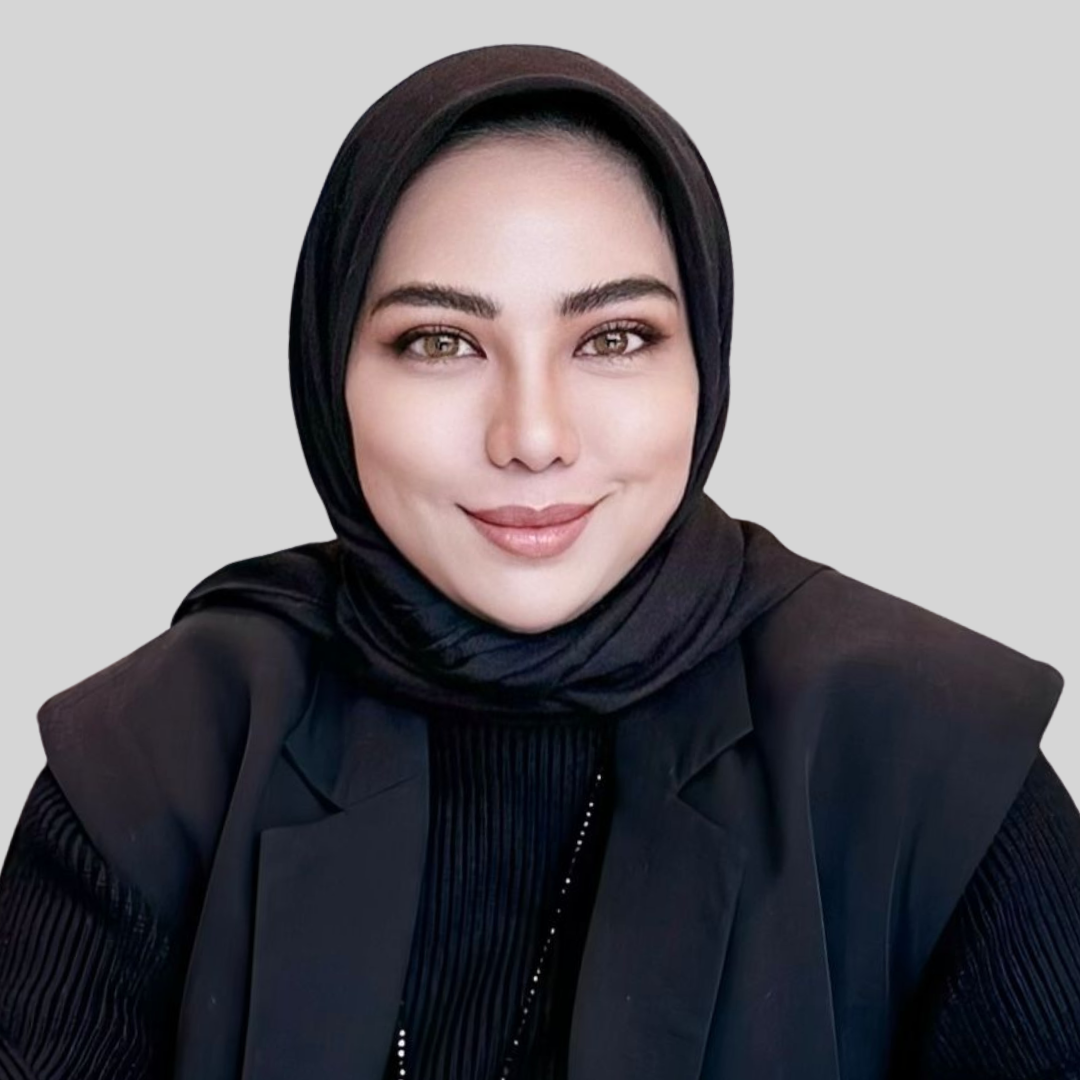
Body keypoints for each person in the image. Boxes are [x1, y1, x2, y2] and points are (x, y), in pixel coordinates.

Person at [1, 42, 1077, 1080]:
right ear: (332, 372)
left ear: (703, 355)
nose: (532, 434)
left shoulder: (937, 768)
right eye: (440, 341)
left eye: (613, 338)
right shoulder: (158, 759)